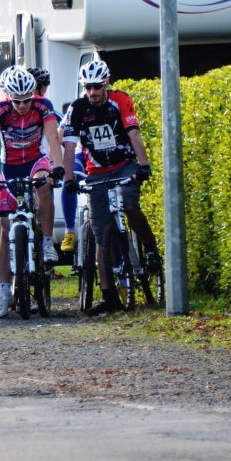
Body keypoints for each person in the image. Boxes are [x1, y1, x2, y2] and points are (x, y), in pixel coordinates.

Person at [60, 59, 160, 315]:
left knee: (129, 205)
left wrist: (144, 165)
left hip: (124, 164)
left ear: (106, 82)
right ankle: (107, 296)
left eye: (97, 87)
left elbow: (134, 133)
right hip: (96, 172)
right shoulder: (77, 108)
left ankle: (150, 249)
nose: (92, 92)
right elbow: (69, 146)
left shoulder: (120, 100)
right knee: (101, 235)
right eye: (87, 87)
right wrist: (69, 178)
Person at [0, 67, 66, 318]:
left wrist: (59, 167)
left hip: (34, 161)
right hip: (5, 165)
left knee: (45, 185)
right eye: (17, 100)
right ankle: (4, 290)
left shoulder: (43, 106)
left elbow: (53, 137)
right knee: (7, 227)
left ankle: (46, 242)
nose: (22, 105)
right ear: (8, 95)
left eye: (27, 99)